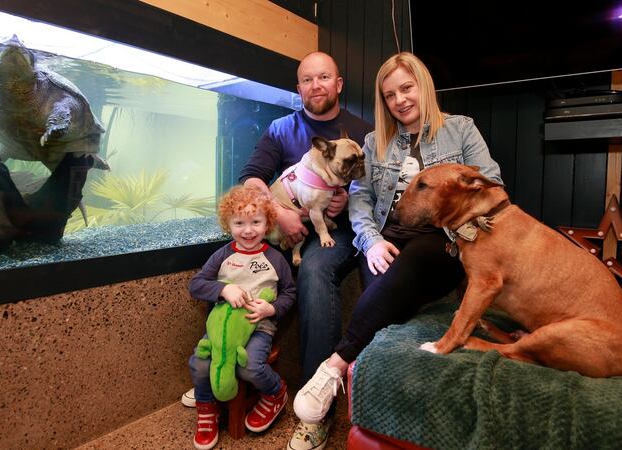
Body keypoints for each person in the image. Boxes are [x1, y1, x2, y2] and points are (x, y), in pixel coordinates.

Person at [292, 52, 503, 425]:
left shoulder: (462, 129)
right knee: (386, 304)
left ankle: (334, 366)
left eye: (407, 88)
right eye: (390, 95)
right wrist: (371, 240)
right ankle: (379, 412)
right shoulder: (375, 141)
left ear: (423, 86)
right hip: (386, 237)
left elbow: (493, 186)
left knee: (417, 258)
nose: (400, 100)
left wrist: (455, 218)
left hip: (444, 239)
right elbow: (359, 197)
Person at [238, 51, 373, 449]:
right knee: (237, 261)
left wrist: (347, 200)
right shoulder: (281, 128)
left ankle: (317, 408)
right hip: (291, 224)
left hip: (343, 231)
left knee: (313, 270)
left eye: (324, 78)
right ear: (298, 88)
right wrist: (280, 213)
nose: (316, 86)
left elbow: (379, 190)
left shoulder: (361, 132)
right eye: (308, 80)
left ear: (339, 84)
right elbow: (251, 179)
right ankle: (223, 373)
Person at [187, 185, 297, 450]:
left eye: (256, 222)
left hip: (258, 326)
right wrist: (223, 289)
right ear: (228, 224)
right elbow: (196, 284)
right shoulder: (223, 255)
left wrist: (271, 309)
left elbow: (290, 293)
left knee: (250, 368)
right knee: (198, 364)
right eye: (239, 223)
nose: (248, 230)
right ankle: (206, 409)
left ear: (268, 222)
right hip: (221, 328)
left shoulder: (275, 259)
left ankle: (275, 393)